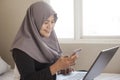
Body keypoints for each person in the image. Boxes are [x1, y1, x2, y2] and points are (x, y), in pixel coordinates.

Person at [11, 1, 77, 80]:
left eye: (52, 22)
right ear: (34, 22)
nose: (50, 26)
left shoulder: (48, 41)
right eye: (46, 22)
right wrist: (56, 67)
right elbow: (28, 78)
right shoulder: (21, 48)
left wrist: (62, 68)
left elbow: (46, 69)